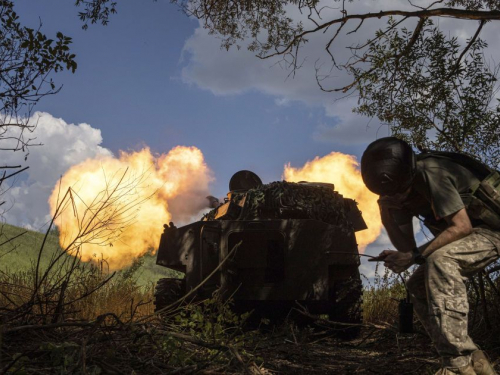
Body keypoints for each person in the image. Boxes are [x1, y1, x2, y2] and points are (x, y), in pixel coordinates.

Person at [360, 137, 500, 375]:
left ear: (407, 176)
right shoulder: (396, 192)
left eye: (397, 191)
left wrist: (414, 256)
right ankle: (474, 360)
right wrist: (387, 212)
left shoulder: (431, 173)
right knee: (417, 284)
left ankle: (457, 365)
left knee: (441, 261)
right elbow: (406, 246)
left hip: (492, 230)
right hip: (467, 236)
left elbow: (462, 227)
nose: (394, 195)